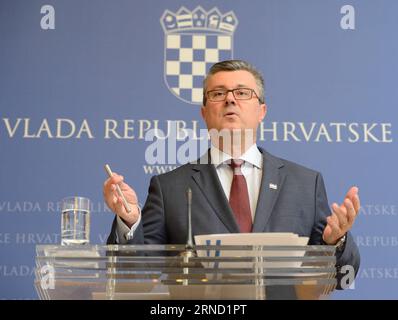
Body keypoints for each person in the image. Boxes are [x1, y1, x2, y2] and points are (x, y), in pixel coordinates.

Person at [104, 60, 360, 284]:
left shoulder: (305, 184)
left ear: (262, 111)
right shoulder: (169, 187)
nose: (230, 99)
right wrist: (129, 223)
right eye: (218, 93)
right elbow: (136, 274)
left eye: (242, 92)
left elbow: (342, 278)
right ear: (204, 113)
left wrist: (335, 242)